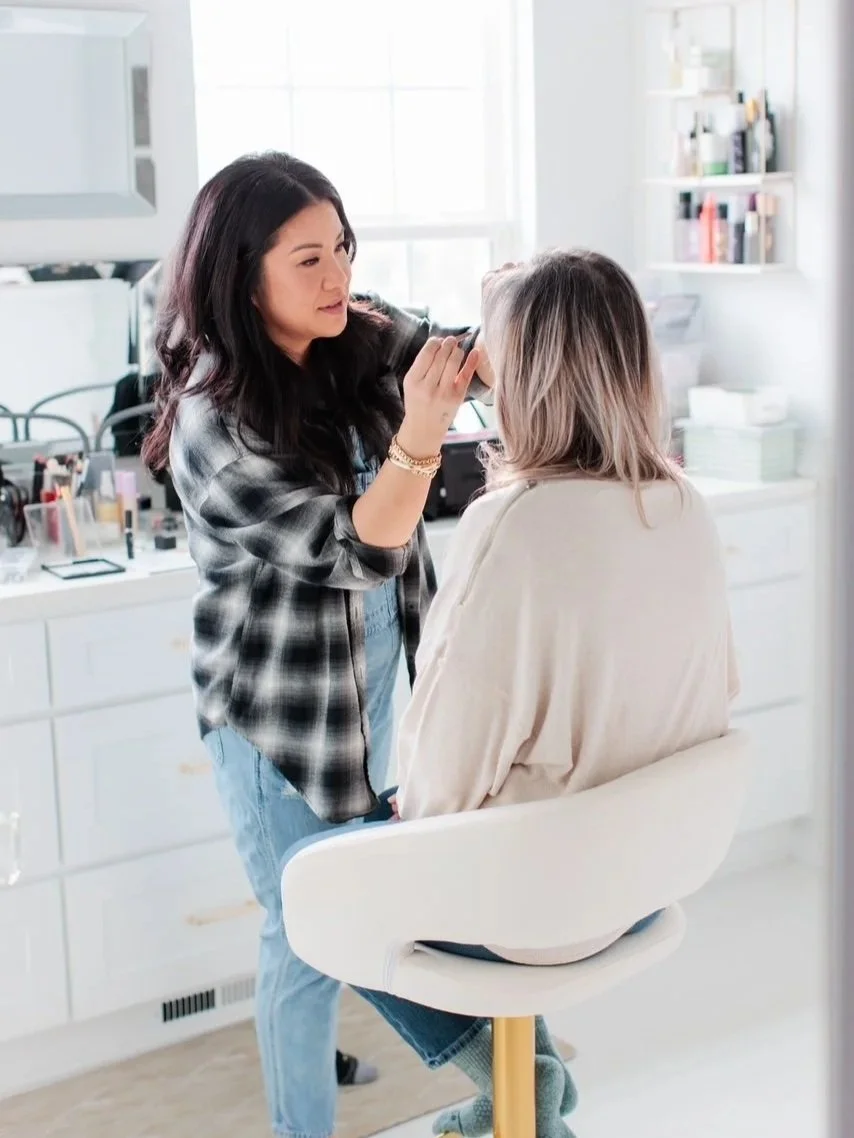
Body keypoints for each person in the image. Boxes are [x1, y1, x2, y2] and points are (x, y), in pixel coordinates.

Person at [281, 249, 740, 1138]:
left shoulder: (517, 524)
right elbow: (713, 695)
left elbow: (444, 775)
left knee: (317, 865)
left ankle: (516, 1088)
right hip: (642, 880)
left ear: (526, 378)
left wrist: (412, 808)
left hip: (532, 907)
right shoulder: (685, 503)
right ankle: (522, 1091)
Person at [141, 151, 497, 1138]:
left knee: (357, 906)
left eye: (341, 247)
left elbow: (458, 352)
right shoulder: (218, 413)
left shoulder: (353, 330)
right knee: (299, 938)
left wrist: (520, 342)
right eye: (307, 259)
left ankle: (455, 1063)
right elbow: (355, 548)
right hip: (276, 721)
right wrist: (419, 436)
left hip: (374, 690)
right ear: (241, 274)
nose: (337, 275)